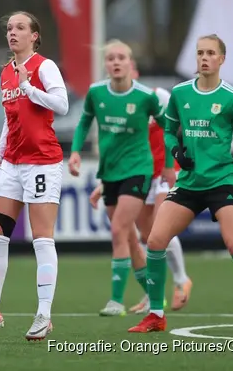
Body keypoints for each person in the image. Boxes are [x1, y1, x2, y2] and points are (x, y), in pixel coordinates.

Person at [128, 34, 233, 334]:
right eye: (200, 53)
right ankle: (156, 314)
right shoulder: (181, 93)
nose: (204, 58)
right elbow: (170, 130)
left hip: (221, 182)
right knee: (156, 241)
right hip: (189, 184)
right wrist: (175, 150)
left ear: (222, 59)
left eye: (210, 53)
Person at [0, 11, 68, 341]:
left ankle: (44, 315)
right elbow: (9, 120)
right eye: (10, 28)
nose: (13, 33)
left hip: (42, 161)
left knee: (41, 237)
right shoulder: (5, 73)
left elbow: (62, 104)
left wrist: (28, 86)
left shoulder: (44, 66)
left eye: (20, 28)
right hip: (12, 162)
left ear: (34, 35)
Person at [68, 40, 174, 317]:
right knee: (126, 238)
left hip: (139, 170)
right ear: (106, 64)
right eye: (111, 58)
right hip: (110, 172)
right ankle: (155, 298)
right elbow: (84, 122)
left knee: (118, 229)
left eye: (121, 58)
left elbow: (170, 129)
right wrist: (76, 152)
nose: (115, 62)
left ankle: (116, 301)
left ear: (130, 64)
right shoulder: (96, 93)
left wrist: (170, 166)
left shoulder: (145, 97)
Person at [90, 63, 192, 314]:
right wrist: (104, 184)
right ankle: (152, 293)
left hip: (166, 172)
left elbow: (177, 126)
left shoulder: (156, 96)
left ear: (135, 74)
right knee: (147, 236)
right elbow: (122, 149)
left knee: (160, 227)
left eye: (129, 70)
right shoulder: (119, 108)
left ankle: (181, 280)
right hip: (142, 173)